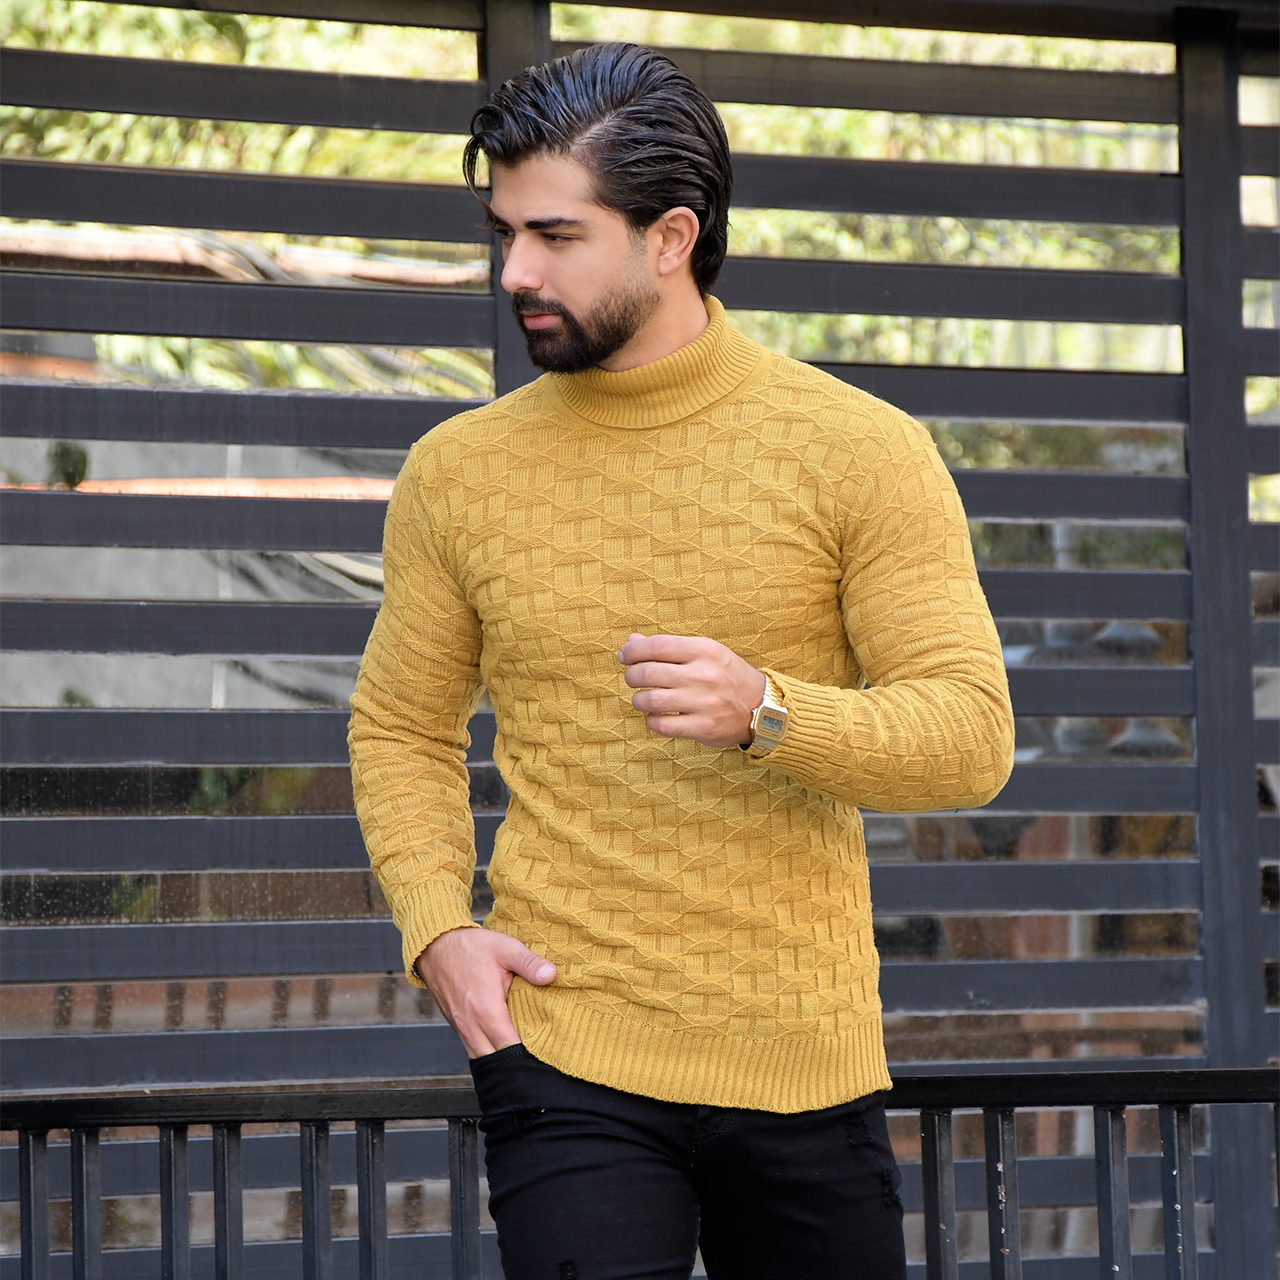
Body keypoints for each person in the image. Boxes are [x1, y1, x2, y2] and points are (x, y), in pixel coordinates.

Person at [349, 41, 1014, 1280]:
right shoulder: (457, 471)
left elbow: (969, 734)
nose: (513, 271)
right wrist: (439, 927)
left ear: (669, 237)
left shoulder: (859, 450)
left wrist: (769, 709)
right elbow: (401, 727)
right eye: (504, 233)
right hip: (565, 1054)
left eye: (555, 235)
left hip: (802, 1060)